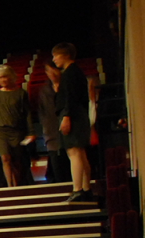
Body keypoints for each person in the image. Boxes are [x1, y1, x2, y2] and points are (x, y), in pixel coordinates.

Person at [52, 42, 94, 202]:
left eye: (56, 55)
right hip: (79, 114)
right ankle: (86, 188)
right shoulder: (75, 72)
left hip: (73, 115)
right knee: (80, 153)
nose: (54, 59)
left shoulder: (70, 73)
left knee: (74, 152)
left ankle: (77, 189)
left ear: (66, 55)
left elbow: (70, 98)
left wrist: (66, 117)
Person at [36, 61, 71, 183]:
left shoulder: (67, 86)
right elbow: (42, 112)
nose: (52, 74)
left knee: (68, 164)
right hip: (51, 133)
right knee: (56, 165)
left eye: (54, 70)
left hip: (68, 129)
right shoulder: (44, 91)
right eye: (48, 71)